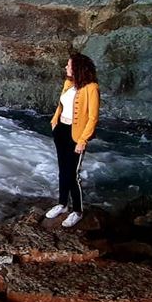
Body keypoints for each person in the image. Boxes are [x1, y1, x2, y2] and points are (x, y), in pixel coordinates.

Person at [45, 53, 100, 227]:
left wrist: (83, 140)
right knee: (62, 169)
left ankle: (77, 211)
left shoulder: (92, 88)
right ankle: (62, 204)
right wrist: (54, 122)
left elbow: (93, 118)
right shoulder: (69, 83)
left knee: (72, 174)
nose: (66, 68)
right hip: (61, 129)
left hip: (76, 135)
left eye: (68, 65)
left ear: (77, 68)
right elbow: (61, 105)